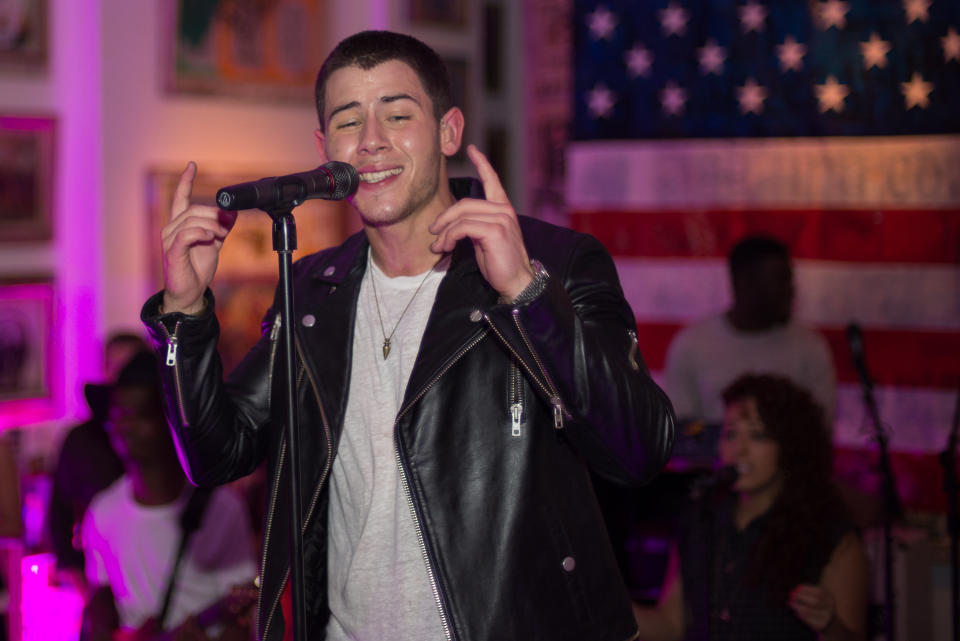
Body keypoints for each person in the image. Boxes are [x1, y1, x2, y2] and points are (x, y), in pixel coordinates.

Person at [140, 30, 676, 641]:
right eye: (349, 122)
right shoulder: (315, 290)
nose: (371, 142)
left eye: (397, 115)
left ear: (448, 132)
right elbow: (217, 455)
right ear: (324, 149)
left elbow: (640, 449)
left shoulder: (556, 260)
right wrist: (184, 313)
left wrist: (527, 297)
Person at [632, 374, 869, 641]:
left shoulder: (830, 535)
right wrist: (607, 605)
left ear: (790, 446)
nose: (738, 449)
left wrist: (829, 624)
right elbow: (672, 625)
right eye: (730, 433)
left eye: (757, 435)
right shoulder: (701, 517)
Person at [79, 351, 257, 641]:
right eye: (119, 415)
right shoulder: (102, 511)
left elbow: (242, 613)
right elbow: (100, 601)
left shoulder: (220, 508)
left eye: (142, 414)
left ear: (172, 423)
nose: (126, 426)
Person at [664, 235, 835, 426]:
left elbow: (820, 430)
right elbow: (681, 428)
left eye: (789, 280)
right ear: (742, 283)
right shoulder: (691, 345)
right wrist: (735, 444)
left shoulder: (810, 348)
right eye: (780, 281)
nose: (791, 291)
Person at [48, 331, 147, 588]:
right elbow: (58, 514)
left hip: (154, 571)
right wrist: (79, 580)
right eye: (117, 368)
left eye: (132, 368)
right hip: (100, 580)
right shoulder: (80, 441)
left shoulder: (168, 436)